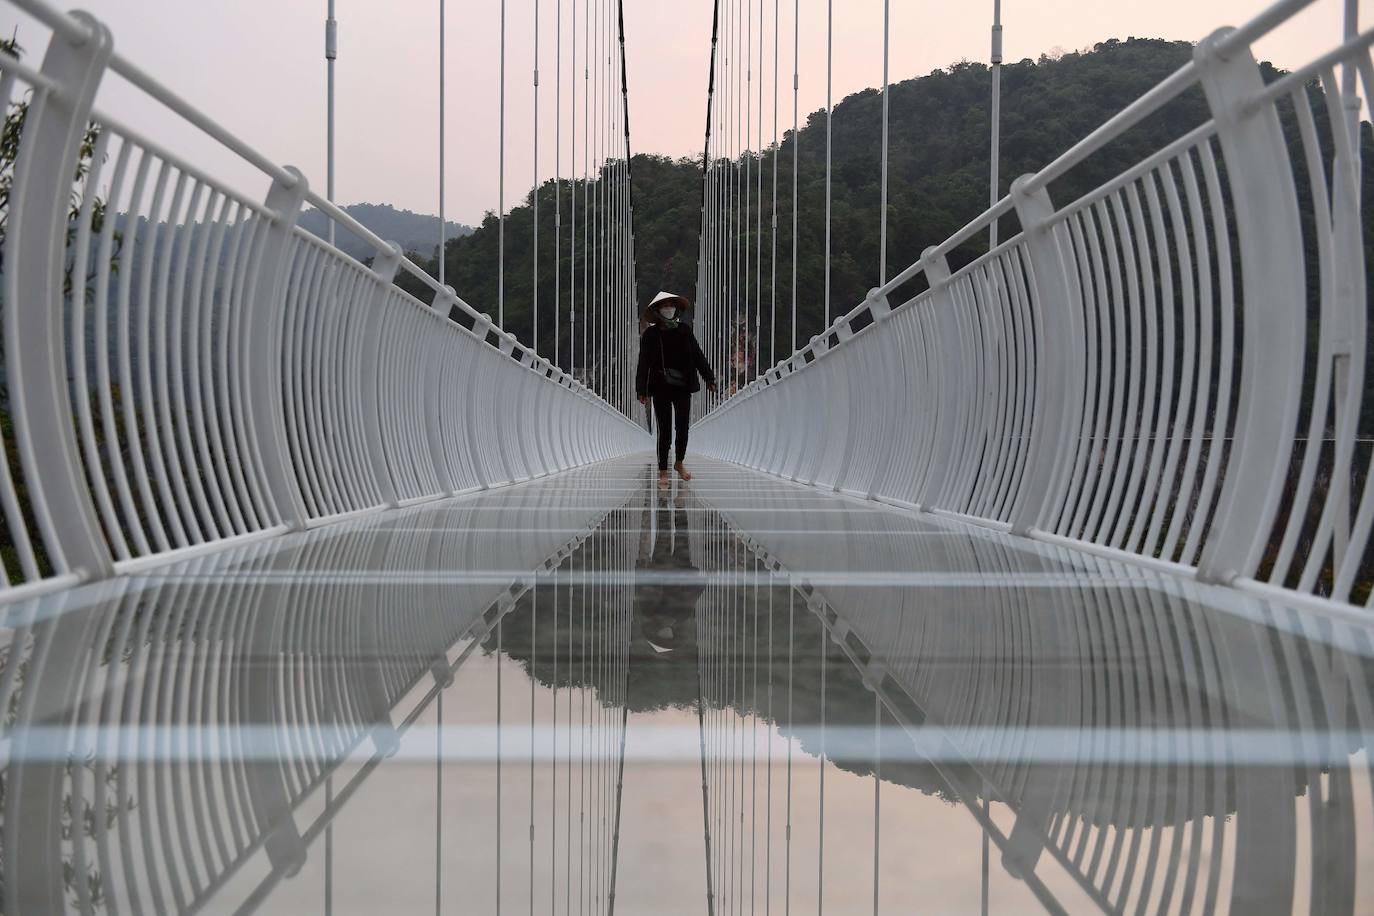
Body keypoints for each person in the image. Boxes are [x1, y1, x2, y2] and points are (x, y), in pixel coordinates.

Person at [635, 291, 717, 486]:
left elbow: (697, 354)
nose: (669, 308)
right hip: (660, 386)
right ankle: (663, 470)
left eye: (672, 304)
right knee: (664, 430)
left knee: (682, 427)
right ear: (657, 310)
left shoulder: (684, 330)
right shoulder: (650, 334)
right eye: (665, 305)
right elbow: (643, 363)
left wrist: (709, 378)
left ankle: (679, 463)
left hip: (683, 386)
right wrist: (641, 390)